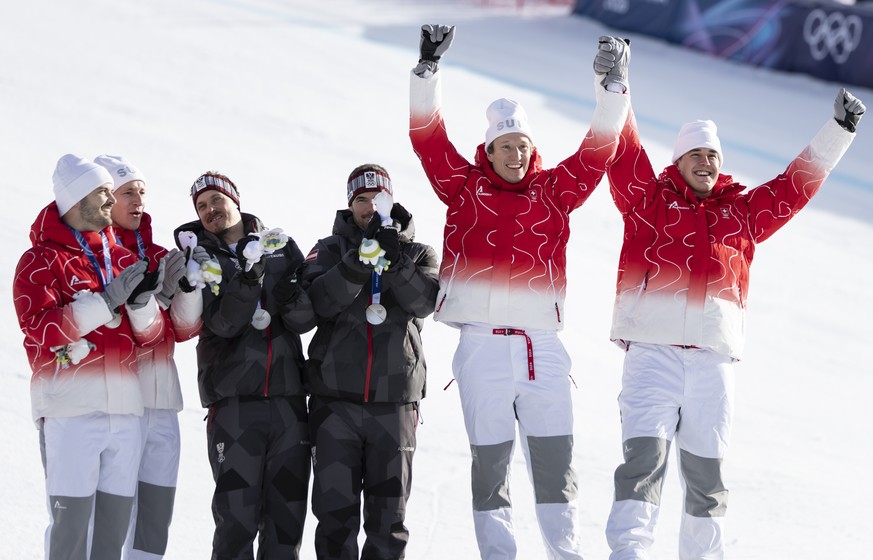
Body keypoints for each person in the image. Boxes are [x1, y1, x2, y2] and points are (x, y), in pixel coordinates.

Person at [593, 36, 866, 559]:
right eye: (696, 154)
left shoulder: (741, 214)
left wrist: (839, 132)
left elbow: (792, 187)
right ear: (679, 161)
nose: (706, 162)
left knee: (705, 475)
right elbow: (623, 151)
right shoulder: (648, 202)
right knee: (642, 464)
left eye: (712, 155)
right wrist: (614, 86)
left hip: (713, 365)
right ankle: (627, 552)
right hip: (652, 357)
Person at [408, 25, 630, 559]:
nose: (514, 154)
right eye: (505, 146)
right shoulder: (462, 188)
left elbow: (599, 150)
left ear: (533, 149)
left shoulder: (555, 191)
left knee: (555, 463)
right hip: (481, 346)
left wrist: (613, 88)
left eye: (522, 145)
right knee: (491, 463)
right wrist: (427, 71)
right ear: (490, 149)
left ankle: (565, 551)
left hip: (542, 347)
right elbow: (427, 138)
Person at [13, 154, 168, 560]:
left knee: (111, 533)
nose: (109, 201)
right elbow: (40, 328)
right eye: (101, 193)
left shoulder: (122, 259)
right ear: (75, 200)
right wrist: (105, 301)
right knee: (72, 530)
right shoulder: (40, 260)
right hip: (70, 411)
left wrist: (140, 302)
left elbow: (152, 337)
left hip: (126, 412)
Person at [174, 171, 316, 559]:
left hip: (288, 402)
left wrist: (287, 293)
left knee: (286, 523)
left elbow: (305, 320)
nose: (210, 211)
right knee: (236, 523)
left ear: (235, 200)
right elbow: (221, 324)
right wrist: (250, 278)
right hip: (234, 404)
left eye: (216, 200)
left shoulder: (280, 247)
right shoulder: (201, 259)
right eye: (201, 207)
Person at [300, 164, 440, 559]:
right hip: (334, 405)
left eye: (377, 198)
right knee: (333, 519)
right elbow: (316, 305)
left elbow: (425, 302)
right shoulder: (328, 249)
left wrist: (395, 264)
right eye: (361, 199)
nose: (369, 206)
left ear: (390, 201)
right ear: (350, 205)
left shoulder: (417, 251)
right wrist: (357, 265)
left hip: (394, 405)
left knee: (388, 522)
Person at [94, 154, 204, 559]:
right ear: (105, 198)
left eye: (142, 192)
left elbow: (183, 330)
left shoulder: (161, 254)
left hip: (161, 400)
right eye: (128, 193)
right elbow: (125, 330)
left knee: (154, 519)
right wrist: (148, 300)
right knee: (107, 519)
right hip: (115, 403)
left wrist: (189, 289)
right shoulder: (92, 258)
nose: (139, 201)